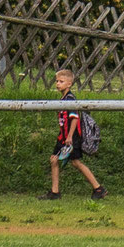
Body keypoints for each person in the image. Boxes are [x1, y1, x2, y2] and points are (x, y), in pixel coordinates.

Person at [40, 68, 106, 201]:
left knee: (76, 162)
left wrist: (70, 136)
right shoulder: (63, 99)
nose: (58, 84)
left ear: (69, 84)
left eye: (61, 81)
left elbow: (74, 118)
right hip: (62, 137)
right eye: (57, 81)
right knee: (54, 160)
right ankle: (55, 191)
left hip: (70, 138)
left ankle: (98, 188)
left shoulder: (70, 99)